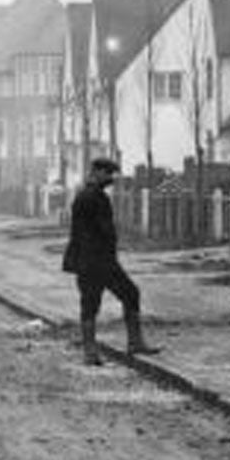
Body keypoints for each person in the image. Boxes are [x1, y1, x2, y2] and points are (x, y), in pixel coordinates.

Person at [63, 156, 160, 365]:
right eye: (108, 173)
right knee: (124, 295)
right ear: (96, 172)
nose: (111, 178)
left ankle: (95, 351)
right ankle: (125, 345)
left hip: (91, 260)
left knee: (95, 302)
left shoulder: (86, 195)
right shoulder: (93, 197)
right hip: (97, 260)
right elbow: (101, 230)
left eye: (112, 173)